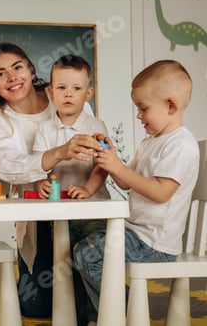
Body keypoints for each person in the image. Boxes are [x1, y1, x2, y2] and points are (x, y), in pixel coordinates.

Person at [0, 42, 104, 319]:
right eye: (0, 73)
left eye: (17, 67)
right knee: (37, 306)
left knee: (81, 285)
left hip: (80, 206)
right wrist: (58, 154)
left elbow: (94, 147)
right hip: (39, 217)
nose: (12, 77)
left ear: (31, 69)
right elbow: (8, 168)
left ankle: (98, 296)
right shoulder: (0, 122)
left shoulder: (65, 92)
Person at [73, 60, 200, 322]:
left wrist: (119, 167)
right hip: (137, 234)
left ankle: (124, 313)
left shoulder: (181, 144)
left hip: (155, 243)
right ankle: (116, 312)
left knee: (86, 254)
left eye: (143, 108)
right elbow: (125, 182)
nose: (139, 116)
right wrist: (111, 158)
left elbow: (161, 192)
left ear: (171, 105)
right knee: (81, 247)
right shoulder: (149, 142)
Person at [32, 54, 110, 325]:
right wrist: (40, 183)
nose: (68, 94)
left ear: (88, 94)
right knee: (66, 269)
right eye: (62, 88)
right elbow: (40, 165)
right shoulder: (44, 130)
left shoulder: (94, 126)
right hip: (61, 213)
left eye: (76, 89)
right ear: (51, 92)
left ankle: (102, 315)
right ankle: (75, 318)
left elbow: (103, 165)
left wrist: (88, 188)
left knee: (91, 262)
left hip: (93, 210)